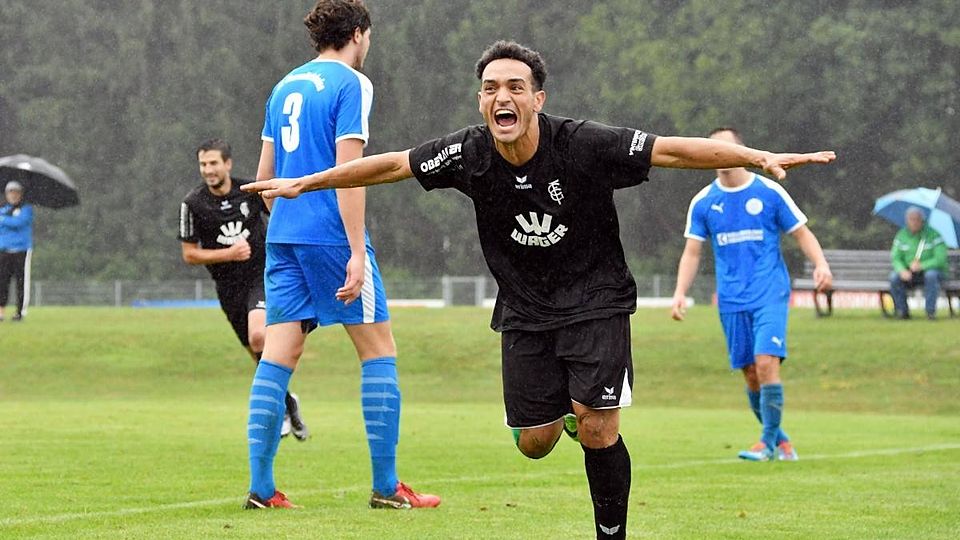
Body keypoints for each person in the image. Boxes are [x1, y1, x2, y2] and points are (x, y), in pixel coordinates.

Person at [242, 40, 835, 538]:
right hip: (525, 311)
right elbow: (392, 165)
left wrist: (753, 157)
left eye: (516, 87)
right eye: (491, 88)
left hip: (596, 300)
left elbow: (671, 150)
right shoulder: (468, 152)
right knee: (533, 443)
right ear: (481, 101)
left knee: (599, 428)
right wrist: (309, 182)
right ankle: (570, 414)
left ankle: (610, 530)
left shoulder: (581, 142)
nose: (502, 96)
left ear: (537, 99)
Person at [243, 0, 440, 511]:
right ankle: (387, 487)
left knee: (276, 358)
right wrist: (354, 249)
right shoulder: (352, 83)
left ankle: (261, 490)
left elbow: (264, 179)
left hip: (283, 235)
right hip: (330, 233)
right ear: (357, 34)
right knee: (378, 350)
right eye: (368, 36)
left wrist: (291, 223)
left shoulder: (284, 85)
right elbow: (349, 172)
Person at [670, 127, 833, 463]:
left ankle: (767, 444)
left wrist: (821, 264)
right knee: (751, 372)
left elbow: (801, 233)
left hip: (769, 292)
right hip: (731, 299)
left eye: (725, 148)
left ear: (741, 151)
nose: (719, 155)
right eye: (712, 149)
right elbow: (692, 253)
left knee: (766, 362)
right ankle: (781, 441)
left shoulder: (768, 192)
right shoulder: (704, 202)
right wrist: (679, 293)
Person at [178, 138, 309, 442]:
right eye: (203, 164)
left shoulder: (249, 191)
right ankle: (287, 401)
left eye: (213, 163)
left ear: (227, 164)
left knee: (258, 336)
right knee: (257, 352)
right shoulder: (192, 204)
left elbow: (280, 215)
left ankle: (278, 409)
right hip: (228, 288)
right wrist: (229, 254)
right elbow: (189, 254)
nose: (208, 170)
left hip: (261, 276)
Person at [888, 206, 948, 320]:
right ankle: (902, 311)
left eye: (917, 219)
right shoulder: (901, 235)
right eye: (911, 219)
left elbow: (940, 259)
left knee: (931, 275)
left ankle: (930, 312)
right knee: (894, 277)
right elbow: (896, 258)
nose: (914, 222)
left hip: (931, 272)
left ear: (922, 220)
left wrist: (922, 266)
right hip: (909, 273)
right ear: (907, 221)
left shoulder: (934, 235)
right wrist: (902, 270)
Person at [0, 181, 33, 322]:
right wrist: (8, 219)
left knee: (21, 282)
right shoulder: (3, 209)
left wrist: (4, 220)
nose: (13, 195)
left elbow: (19, 223)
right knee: (2, 281)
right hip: (4, 250)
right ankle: (1, 311)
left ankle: (20, 312)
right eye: (10, 192)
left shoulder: (26, 209)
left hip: (21, 250)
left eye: (16, 192)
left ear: (20, 194)